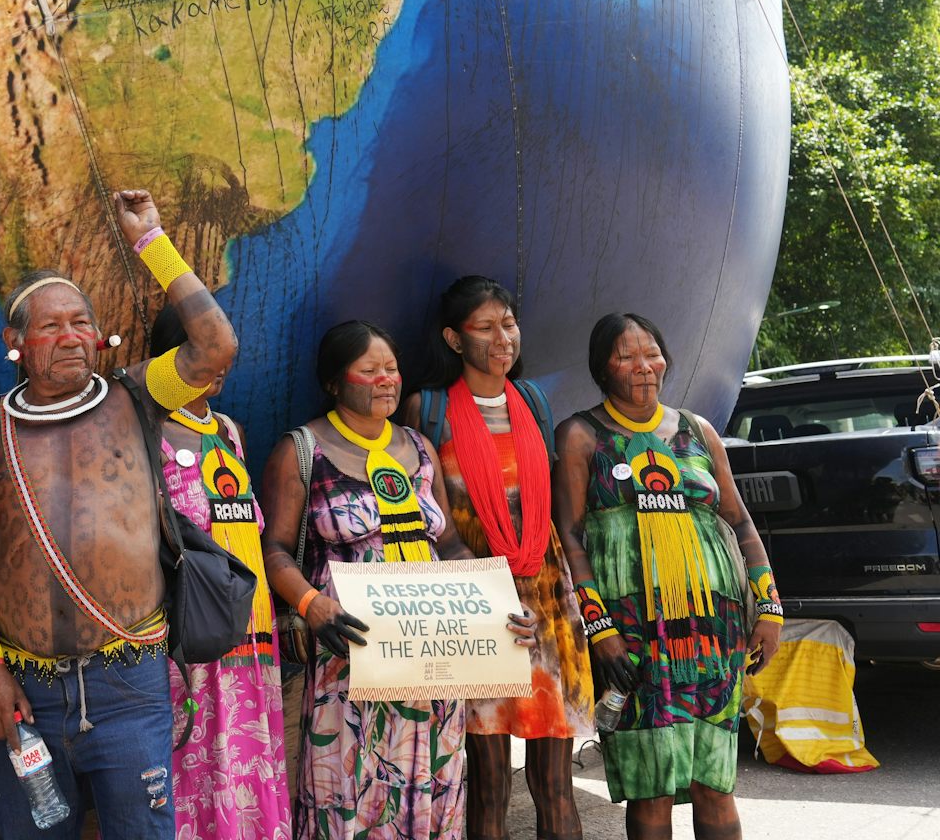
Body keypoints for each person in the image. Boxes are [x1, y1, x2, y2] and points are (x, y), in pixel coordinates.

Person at [0, 188, 238, 840]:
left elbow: (216, 346)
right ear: (15, 342)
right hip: (24, 693)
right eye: (51, 326)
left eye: (81, 321)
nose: (72, 336)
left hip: (129, 688)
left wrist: (152, 241)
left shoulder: (135, 397)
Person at [262, 320, 536, 840]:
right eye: (369, 370)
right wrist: (309, 603)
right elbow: (273, 549)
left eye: (391, 368)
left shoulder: (418, 446)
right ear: (334, 382)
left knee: (430, 791)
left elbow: (449, 543)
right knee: (352, 796)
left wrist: (499, 605)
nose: (386, 379)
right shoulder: (302, 451)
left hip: (436, 664)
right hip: (351, 660)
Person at [553, 313, 784, 840]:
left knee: (715, 780)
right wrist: (599, 627)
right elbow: (568, 537)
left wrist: (768, 605)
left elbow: (740, 521)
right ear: (601, 367)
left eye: (651, 352)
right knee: (651, 782)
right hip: (634, 633)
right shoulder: (581, 435)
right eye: (625, 355)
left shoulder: (698, 430)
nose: (643, 366)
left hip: (712, 631)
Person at [403, 277, 593, 840]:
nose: (502, 337)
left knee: (556, 788)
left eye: (508, 323)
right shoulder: (427, 410)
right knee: (488, 788)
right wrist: (486, 591)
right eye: (484, 327)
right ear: (454, 339)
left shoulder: (532, 401)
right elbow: (425, 516)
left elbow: (557, 511)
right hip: (477, 604)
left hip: (547, 602)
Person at [148, 304, 288, 840]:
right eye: (199, 348)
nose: (218, 363)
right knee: (197, 764)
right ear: (171, 359)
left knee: (250, 758)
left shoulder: (229, 431)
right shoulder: (150, 432)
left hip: (252, 635)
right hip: (191, 639)